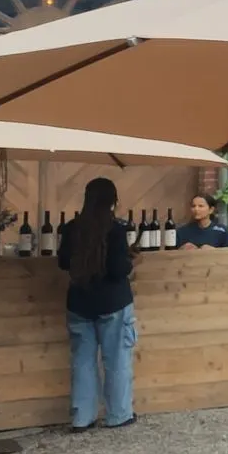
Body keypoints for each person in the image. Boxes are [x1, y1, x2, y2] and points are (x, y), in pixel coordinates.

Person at [58, 177, 137, 431]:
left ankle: (82, 417)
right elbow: (118, 269)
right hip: (113, 302)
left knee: (82, 360)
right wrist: (130, 260)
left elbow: (63, 262)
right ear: (113, 201)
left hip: (79, 302)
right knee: (116, 359)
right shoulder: (115, 230)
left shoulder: (71, 228)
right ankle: (119, 414)